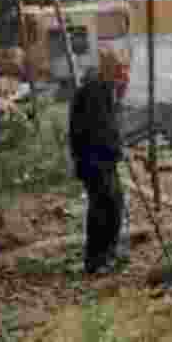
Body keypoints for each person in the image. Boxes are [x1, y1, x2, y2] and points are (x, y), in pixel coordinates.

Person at [69, 47, 130, 274]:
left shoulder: (104, 89)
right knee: (104, 208)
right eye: (119, 69)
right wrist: (116, 148)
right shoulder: (94, 91)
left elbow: (110, 125)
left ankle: (106, 255)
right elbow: (99, 130)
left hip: (102, 159)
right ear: (108, 68)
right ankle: (97, 259)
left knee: (113, 204)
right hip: (94, 161)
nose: (123, 74)